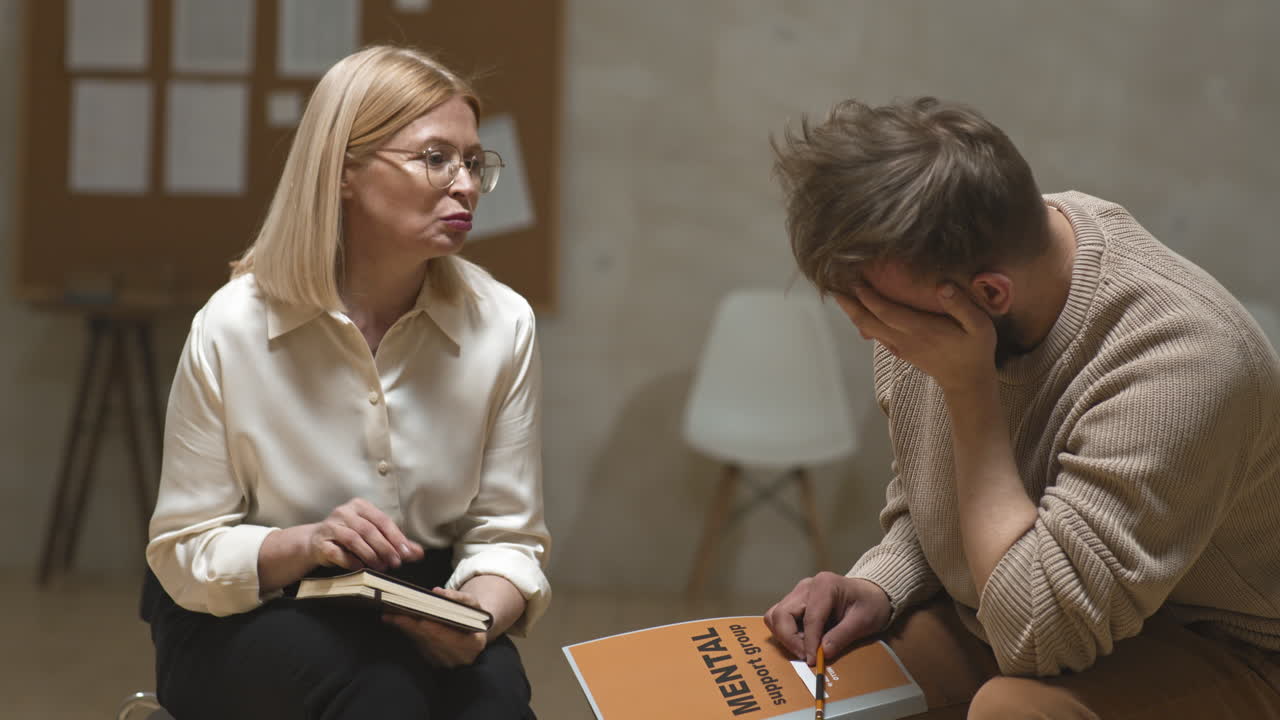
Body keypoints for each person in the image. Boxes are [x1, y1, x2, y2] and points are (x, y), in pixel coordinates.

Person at [763, 97, 1280, 718]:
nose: (874, 331)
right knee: (807, 679)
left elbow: (1039, 636)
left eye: (882, 313)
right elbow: (936, 499)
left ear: (989, 294)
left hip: (1233, 643)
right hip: (1030, 599)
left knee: (1016, 710)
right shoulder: (952, 266)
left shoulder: (1183, 363)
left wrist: (970, 391)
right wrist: (880, 583)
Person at [142, 45, 549, 720]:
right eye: (436, 158)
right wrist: (303, 543)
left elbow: (508, 535)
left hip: (424, 598)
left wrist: (478, 612)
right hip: (245, 608)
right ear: (344, 173)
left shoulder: (504, 323)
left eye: (475, 162)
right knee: (382, 697)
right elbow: (184, 550)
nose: (467, 185)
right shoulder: (232, 326)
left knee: (499, 699)